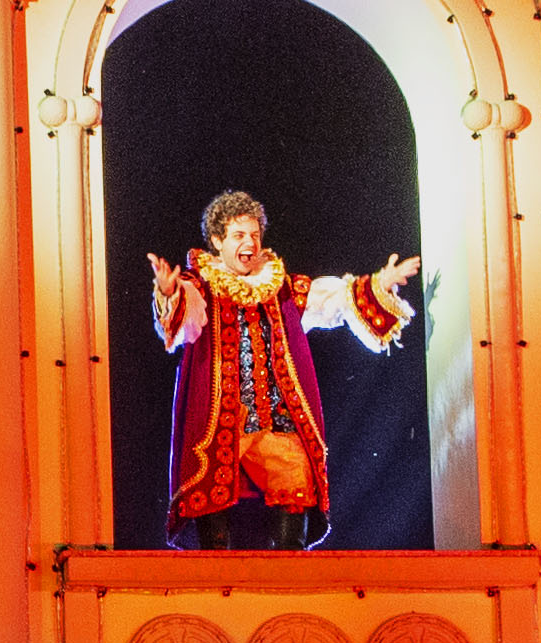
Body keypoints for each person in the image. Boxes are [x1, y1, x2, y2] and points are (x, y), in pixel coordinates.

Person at [145, 191, 416, 550]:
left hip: (277, 420)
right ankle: (215, 582)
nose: (250, 243)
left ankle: (292, 583)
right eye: (239, 235)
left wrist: (380, 283)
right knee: (213, 498)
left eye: (254, 235)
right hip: (224, 420)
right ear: (217, 241)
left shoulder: (281, 288)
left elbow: (333, 300)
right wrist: (167, 293)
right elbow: (183, 323)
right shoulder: (201, 288)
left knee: (295, 490)